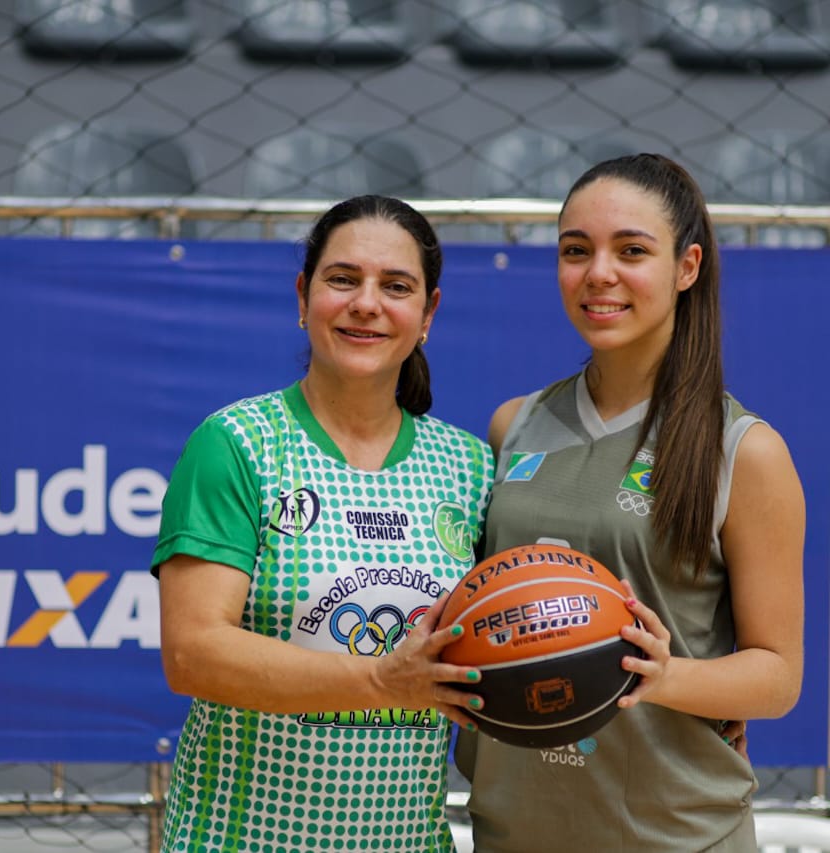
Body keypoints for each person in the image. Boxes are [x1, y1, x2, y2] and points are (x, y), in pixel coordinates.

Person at [455, 153, 805, 852]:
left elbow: (776, 676)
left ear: (687, 266)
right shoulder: (512, 425)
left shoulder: (745, 450)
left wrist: (670, 675)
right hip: (513, 829)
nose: (599, 273)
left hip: (675, 834)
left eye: (632, 250)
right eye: (575, 250)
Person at [151, 194, 496, 852]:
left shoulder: (470, 466)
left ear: (428, 314)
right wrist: (379, 680)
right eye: (343, 279)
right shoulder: (238, 442)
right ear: (303, 296)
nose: (366, 302)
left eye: (396, 286)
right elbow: (192, 651)